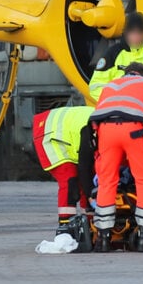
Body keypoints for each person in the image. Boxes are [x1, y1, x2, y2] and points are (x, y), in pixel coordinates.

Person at [90, 63, 143, 253]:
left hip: (106, 130)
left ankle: (103, 237)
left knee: (106, 182)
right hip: (134, 129)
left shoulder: (111, 85)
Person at [32, 104, 97, 244]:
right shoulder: (91, 130)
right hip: (50, 133)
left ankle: (90, 225)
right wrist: (92, 196)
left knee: (89, 181)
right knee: (70, 181)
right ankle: (65, 227)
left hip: (67, 133)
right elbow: (84, 168)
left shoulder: (104, 126)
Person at [89, 12, 143, 102]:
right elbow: (95, 86)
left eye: (139, 33)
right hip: (115, 106)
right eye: (132, 33)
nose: (136, 37)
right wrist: (115, 100)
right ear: (125, 33)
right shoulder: (113, 53)